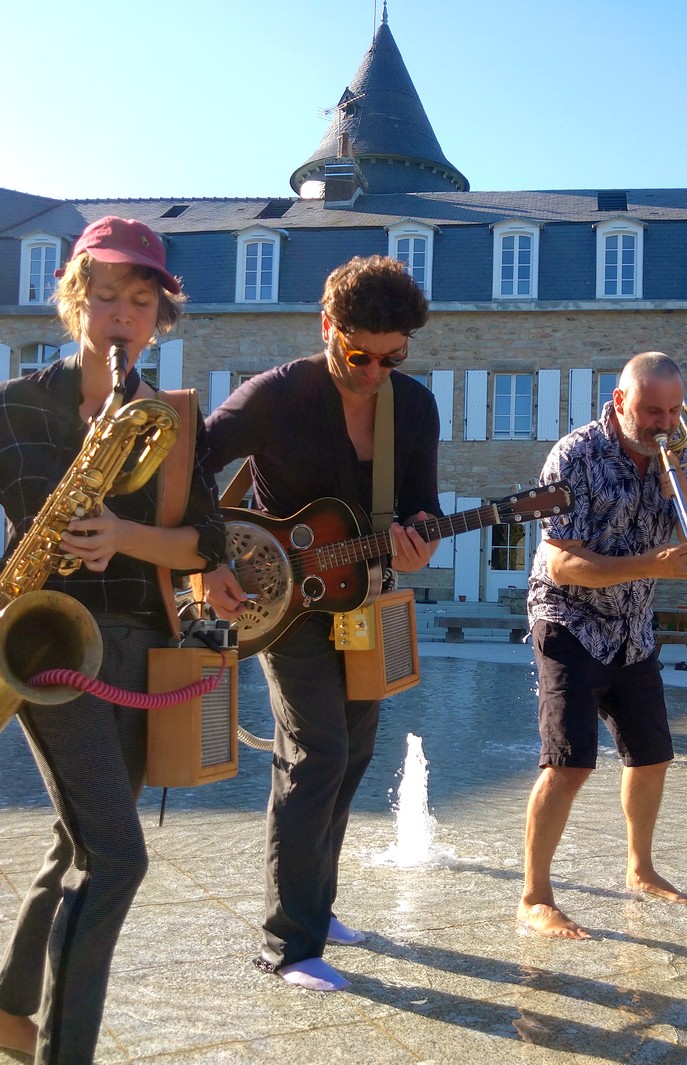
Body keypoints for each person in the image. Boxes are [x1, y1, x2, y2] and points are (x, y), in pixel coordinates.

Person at [0, 216, 226, 1061]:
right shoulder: (14, 405)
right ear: (74, 300)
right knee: (118, 857)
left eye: (140, 301)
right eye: (105, 297)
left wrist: (123, 536)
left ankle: (8, 1007)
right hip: (46, 642)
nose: (122, 315)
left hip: (139, 648)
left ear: (159, 317)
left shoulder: (173, 420)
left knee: (79, 840)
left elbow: (205, 545)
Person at [203, 255, 440, 991]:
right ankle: (288, 945)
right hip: (281, 605)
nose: (374, 372)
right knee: (317, 752)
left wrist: (421, 540)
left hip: (364, 599)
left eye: (392, 357)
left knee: (356, 749)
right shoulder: (277, 394)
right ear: (326, 327)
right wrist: (209, 559)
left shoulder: (415, 406)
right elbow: (187, 464)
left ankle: (312, 904)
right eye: (358, 355)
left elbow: (421, 507)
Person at [517, 351, 687, 940]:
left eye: (674, 411)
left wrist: (681, 487)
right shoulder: (574, 456)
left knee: (652, 756)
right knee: (569, 763)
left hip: (632, 627)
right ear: (620, 400)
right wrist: (649, 563)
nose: (665, 423)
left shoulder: (673, 457)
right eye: (653, 411)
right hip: (568, 620)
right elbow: (562, 564)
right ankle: (534, 897)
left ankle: (640, 869)